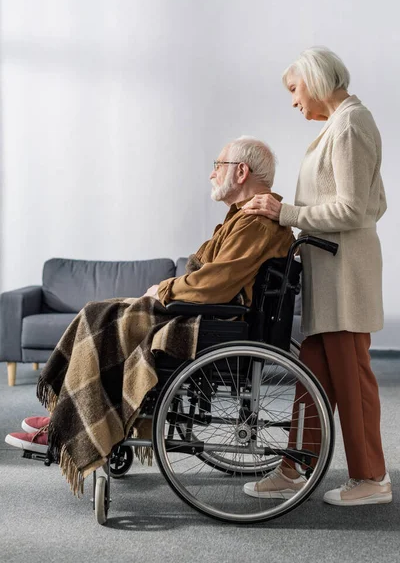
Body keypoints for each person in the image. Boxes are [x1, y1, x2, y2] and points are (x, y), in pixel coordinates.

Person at [6, 136, 294, 494]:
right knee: (101, 314)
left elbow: (216, 282)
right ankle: (66, 418)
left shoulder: (256, 223)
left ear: (240, 171)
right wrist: (173, 286)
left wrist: (165, 291)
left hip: (214, 322)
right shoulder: (243, 217)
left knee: (100, 316)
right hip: (209, 313)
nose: (210, 174)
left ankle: (66, 425)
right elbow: (204, 266)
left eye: (216, 166)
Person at [242, 47, 391, 506]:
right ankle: (294, 468)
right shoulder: (339, 125)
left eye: (294, 89)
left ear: (315, 79)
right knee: (312, 376)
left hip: (345, 274)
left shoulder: (350, 124)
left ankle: (372, 480)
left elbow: (353, 207)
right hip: (331, 269)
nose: (293, 101)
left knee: (352, 380)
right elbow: (375, 201)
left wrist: (286, 211)